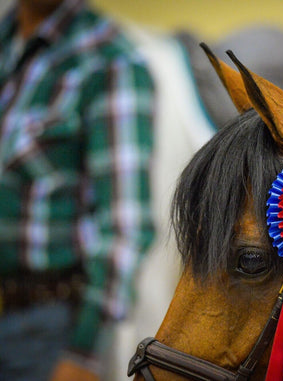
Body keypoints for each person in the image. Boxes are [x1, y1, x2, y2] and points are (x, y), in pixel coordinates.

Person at [0, 0, 156, 380]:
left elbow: (126, 227)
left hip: (44, 329)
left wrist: (82, 355)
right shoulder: (8, 41)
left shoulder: (109, 62)